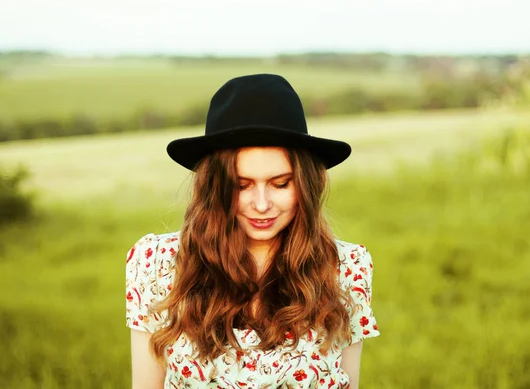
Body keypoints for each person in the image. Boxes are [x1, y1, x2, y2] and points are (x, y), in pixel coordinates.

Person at [125, 73, 379, 389]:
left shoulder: (347, 267)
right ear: (213, 187)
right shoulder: (155, 262)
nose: (261, 204)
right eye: (241, 185)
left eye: (280, 183)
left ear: (305, 184)